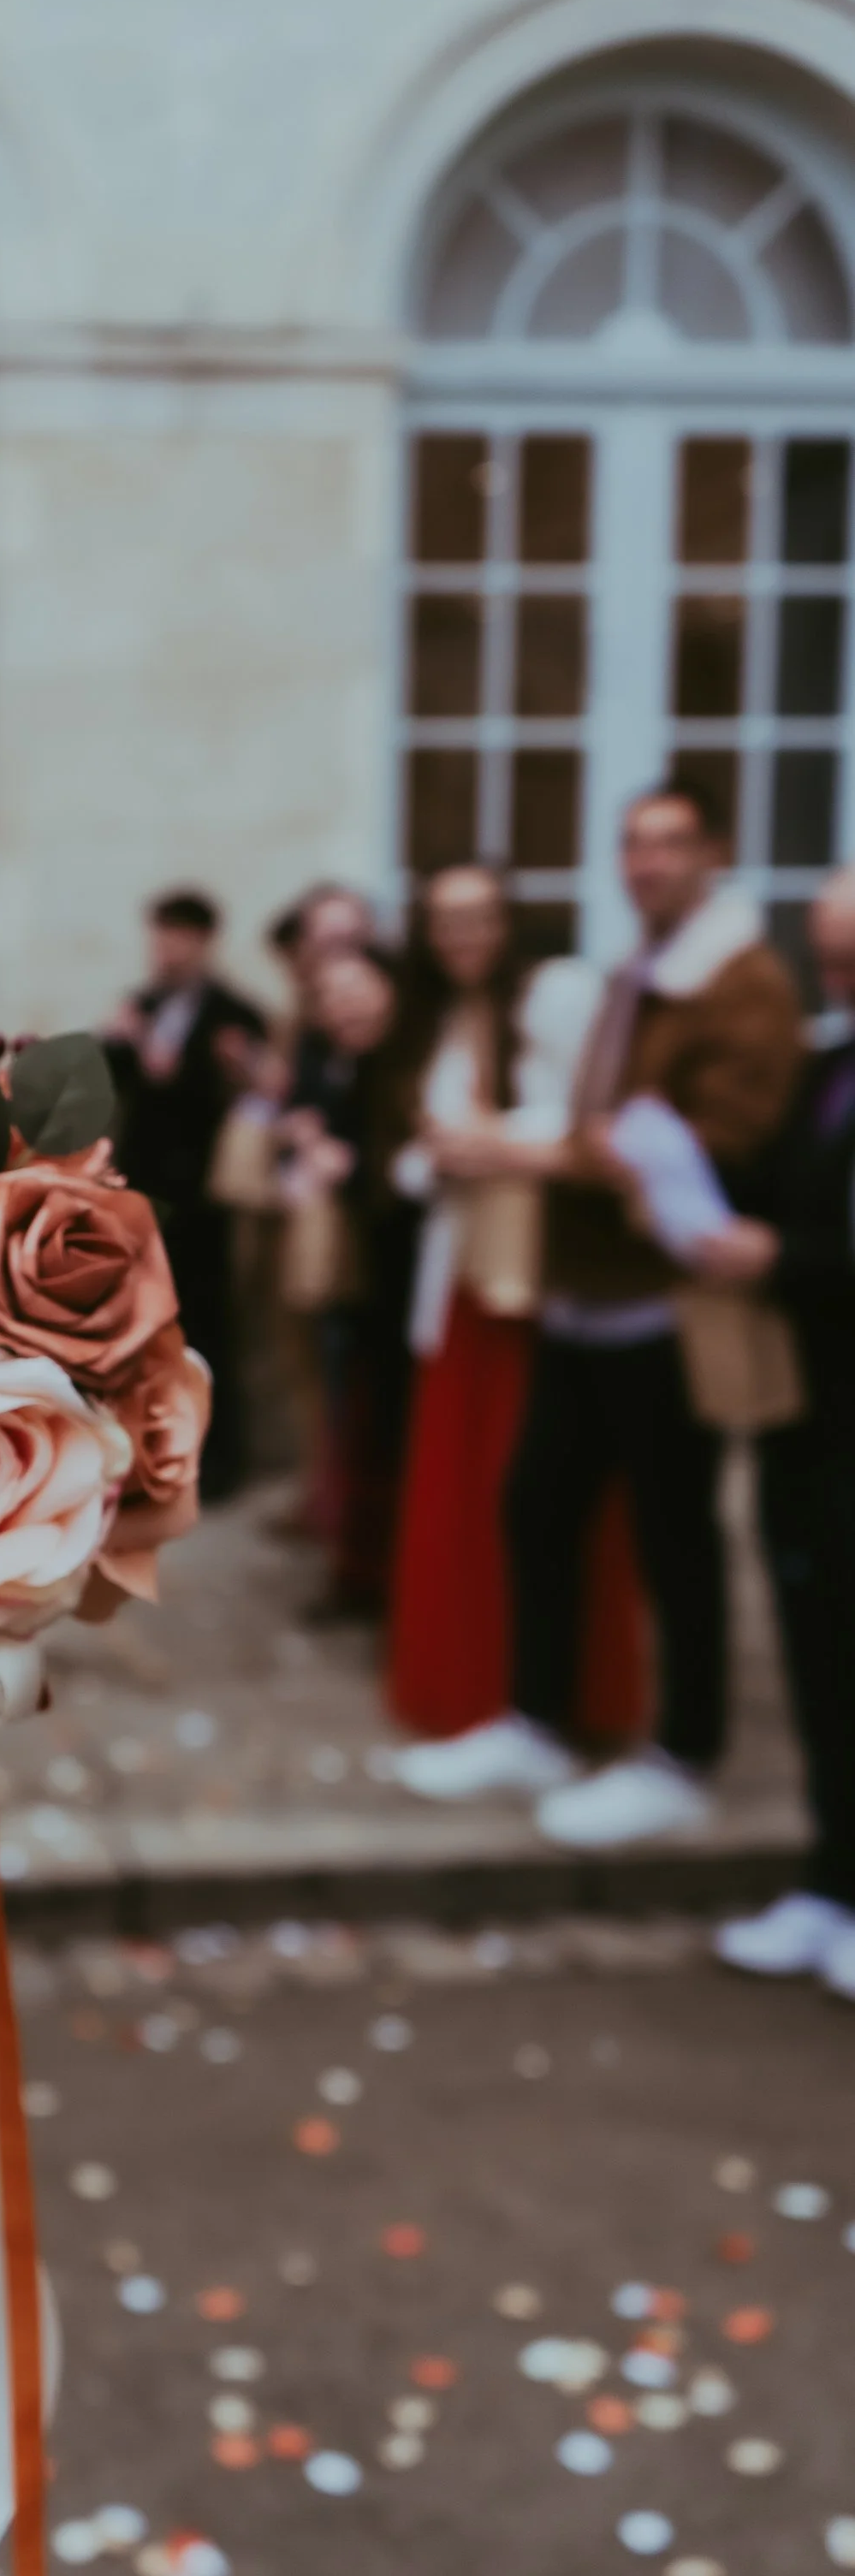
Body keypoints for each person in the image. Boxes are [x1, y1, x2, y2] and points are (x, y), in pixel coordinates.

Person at [399, 785, 804, 1849]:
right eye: (632, 842)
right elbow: (603, 1125)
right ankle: (536, 1721)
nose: (646, 862)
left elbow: (717, 1141)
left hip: (663, 1301)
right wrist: (565, 1148)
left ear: (713, 853)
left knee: (677, 1538)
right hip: (586, 1295)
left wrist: (526, 1152)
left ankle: (685, 1751)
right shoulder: (636, 973)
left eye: (670, 843)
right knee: (538, 1505)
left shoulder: (741, 985)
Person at [376, 865, 647, 1742]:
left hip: (529, 1277)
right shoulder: (438, 1022)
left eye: (478, 918)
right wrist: (437, 1158)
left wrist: (487, 1145)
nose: (462, 938)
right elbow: (411, 1154)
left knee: (525, 1486)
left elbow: (590, 1124)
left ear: (507, 921)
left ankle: (540, 1695)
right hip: (459, 1278)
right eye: (444, 922)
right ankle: (464, 1688)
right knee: (459, 1485)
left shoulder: (554, 998)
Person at [712, 867, 855, 1989]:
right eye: (828, 951)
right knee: (814, 1637)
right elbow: (778, 1182)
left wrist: (788, 1260)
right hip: (804, 1400)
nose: (837, 972)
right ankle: (829, 1873)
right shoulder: (826, 1060)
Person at [104, 887, 267, 1496]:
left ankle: (219, 1462)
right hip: (145, 1190)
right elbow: (112, 1084)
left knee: (211, 1328)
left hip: (204, 1197)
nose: (166, 949)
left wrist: (227, 1068)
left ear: (203, 942)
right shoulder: (140, 1004)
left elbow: (251, 1098)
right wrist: (117, 1040)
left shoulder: (234, 1013)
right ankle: (150, 1454)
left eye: (178, 937)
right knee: (144, 1329)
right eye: (160, 936)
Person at [276, 941, 411, 1617]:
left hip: (403, 1283)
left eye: (355, 988)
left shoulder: (403, 1070)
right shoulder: (341, 1063)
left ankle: (385, 1581)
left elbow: (402, 1179)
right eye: (328, 997)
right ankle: (361, 1572)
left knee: (389, 1430)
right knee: (357, 1422)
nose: (342, 1006)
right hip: (361, 1282)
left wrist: (344, 1165)